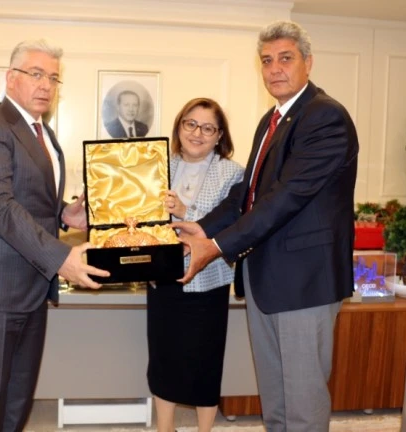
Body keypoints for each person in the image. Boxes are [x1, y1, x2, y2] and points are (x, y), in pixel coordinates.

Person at [173, 21, 359, 432]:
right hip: (265, 278)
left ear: (308, 63)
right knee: (275, 400)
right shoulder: (271, 120)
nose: (275, 69)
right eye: (267, 60)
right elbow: (247, 193)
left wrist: (217, 245)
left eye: (285, 58)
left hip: (304, 283)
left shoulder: (324, 116)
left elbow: (285, 197)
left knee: (303, 404)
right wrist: (202, 228)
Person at [0, 39, 109, 432]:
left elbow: (28, 198)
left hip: (31, 285)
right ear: (11, 78)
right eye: (36, 74)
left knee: (17, 397)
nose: (46, 85)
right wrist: (61, 258)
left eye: (53, 78)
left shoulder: (42, 132)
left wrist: (64, 213)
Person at [149, 98, 244, 432]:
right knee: (163, 357)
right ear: (179, 126)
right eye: (190, 124)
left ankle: (205, 430)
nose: (197, 133)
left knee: (205, 361)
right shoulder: (157, 164)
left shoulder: (233, 172)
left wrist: (184, 211)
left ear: (219, 136)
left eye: (208, 128)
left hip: (209, 281)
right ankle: (165, 428)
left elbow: (230, 222)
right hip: (163, 276)